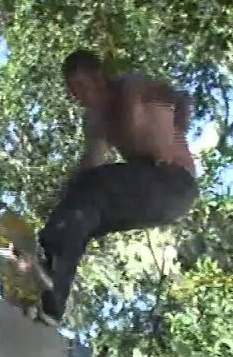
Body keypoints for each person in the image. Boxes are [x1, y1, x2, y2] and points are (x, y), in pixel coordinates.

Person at [29, 49, 200, 325]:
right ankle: (48, 301)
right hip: (150, 191)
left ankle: (50, 275)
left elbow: (181, 97)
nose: (78, 97)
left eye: (82, 87)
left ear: (98, 78)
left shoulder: (131, 86)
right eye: (73, 91)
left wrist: (172, 132)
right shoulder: (96, 122)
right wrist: (58, 209)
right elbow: (90, 167)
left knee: (89, 192)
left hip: (174, 182)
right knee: (81, 219)